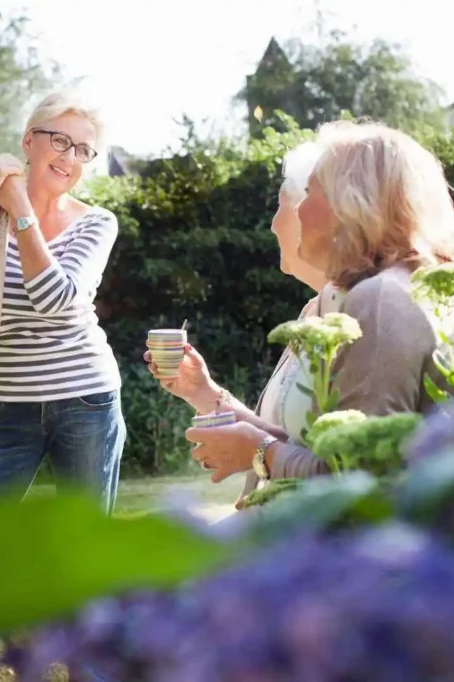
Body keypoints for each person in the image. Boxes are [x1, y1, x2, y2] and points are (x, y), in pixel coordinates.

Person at [170, 121, 454, 490]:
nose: (297, 212)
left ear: (351, 203)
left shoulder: (381, 299)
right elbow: (321, 447)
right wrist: (228, 416)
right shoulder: (405, 286)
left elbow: (361, 478)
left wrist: (259, 453)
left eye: (311, 191)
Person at [0, 90, 125, 516]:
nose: (69, 158)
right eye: (60, 141)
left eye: (83, 150)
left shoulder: (97, 223)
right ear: (29, 141)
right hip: (6, 403)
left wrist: (21, 209)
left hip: (86, 399)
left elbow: (55, 299)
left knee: (82, 543)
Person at [144, 139, 337, 507]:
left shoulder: (358, 316)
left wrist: (257, 450)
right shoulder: (314, 310)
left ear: (308, 215)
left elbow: (344, 469)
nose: (272, 224)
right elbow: (289, 440)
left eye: (280, 206)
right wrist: (202, 391)